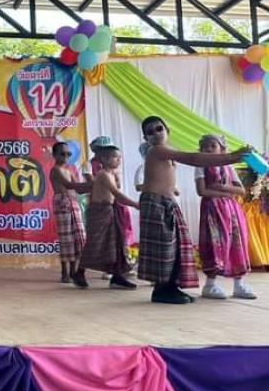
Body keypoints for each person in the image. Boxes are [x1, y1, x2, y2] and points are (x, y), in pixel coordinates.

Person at [138, 117, 250, 304]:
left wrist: (232, 159)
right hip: (156, 202)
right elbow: (193, 158)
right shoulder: (157, 150)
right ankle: (162, 290)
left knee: (176, 247)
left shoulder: (166, 152)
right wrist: (232, 156)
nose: (156, 133)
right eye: (150, 132)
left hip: (167, 203)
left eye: (159, 128)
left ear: (167, 130)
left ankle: (171, 287)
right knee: (164, 248)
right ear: (146, 138)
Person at [195, 134, 256, 300]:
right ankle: (210, 285)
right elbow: (202, 191)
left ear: (222, 149)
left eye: (212, 146)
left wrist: (221, 188)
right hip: (212, 210)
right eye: (205, 146)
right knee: (215, 244)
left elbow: (241, 190)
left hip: (231, 210)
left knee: (237, 242)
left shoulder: (228, 167)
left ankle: (239, 284)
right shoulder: (200, 166)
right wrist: (225, 193)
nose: (208, 149)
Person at [73, 145, 139, 290]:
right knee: (95, 243)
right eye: (115, 157)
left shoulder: (112, 174)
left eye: (119, 157)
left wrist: (117, 176)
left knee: (116, 243)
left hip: (110, 210)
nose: (119, 160)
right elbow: (117, 194)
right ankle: (79, 272)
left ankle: (117, 277)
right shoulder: (103, 174)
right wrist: (135, 204)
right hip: (99, 211)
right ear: (104, 159)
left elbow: (117, 189)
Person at [49, 141, 92, 282]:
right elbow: (69, 185)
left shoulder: (69, 171)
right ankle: (65, 272)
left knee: (77, 237)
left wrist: (94, 185)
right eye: (63, 154)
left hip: (73, 202)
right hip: (62, 202)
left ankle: (74, 270)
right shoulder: (56, 170)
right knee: (66, 237)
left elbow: (78, 189)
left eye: (69, 154)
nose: (66, 157)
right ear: (54, 155)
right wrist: (91, 184)